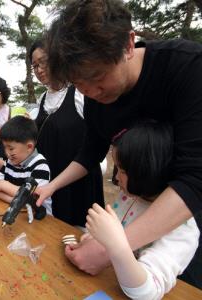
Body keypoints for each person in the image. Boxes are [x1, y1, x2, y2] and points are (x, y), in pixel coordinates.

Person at [35, 0, 202, 282]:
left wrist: (113, 248)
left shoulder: (186, 67)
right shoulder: (94, 98)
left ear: (128, 45)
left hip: (188, 218)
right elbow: (90, 152)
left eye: (97, 77)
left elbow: (195, 178)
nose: (90, 91)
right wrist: (50, 187)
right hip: (137, 206)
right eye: (79, 84)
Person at [86, 121, 199, 299]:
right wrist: (95, 239)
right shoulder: (130, 197)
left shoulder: (183, 228)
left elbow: (147, 293)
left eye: (122, 171)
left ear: (147, 171)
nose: (115, 178)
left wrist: (116, 245)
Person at [30, 39, 104, 227]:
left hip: (77, 181)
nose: (39, 69)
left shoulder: (79, 93)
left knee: (76, 232)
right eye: (34, 65)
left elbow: (97, 139)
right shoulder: (43, 98)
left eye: (43, 61)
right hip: (50, 180)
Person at [0, 116, 52, 215]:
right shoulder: (10, 162)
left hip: (40, 219)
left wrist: (4, 186)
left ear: (29, 147)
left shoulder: (40, 166)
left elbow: (35, 198)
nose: (7, 153)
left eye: (11, 148)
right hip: (17, 213)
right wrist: (18, 202)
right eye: (5, 148)